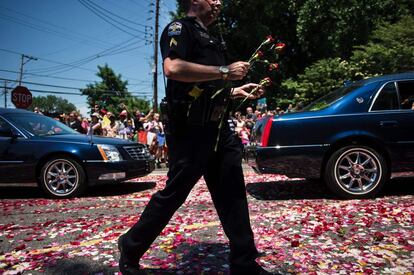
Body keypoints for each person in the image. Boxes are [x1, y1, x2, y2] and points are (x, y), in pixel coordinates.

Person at [118, 0, 268, 274]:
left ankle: (244, 263)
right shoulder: (179, 29)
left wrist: (236, 91)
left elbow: (206, 88)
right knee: (175, 193)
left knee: (233, 194)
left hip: (219, 128)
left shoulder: (213, 38)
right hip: (190, 130)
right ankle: (130, 245)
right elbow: (173, 69)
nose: (219, 2)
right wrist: (224, 72)